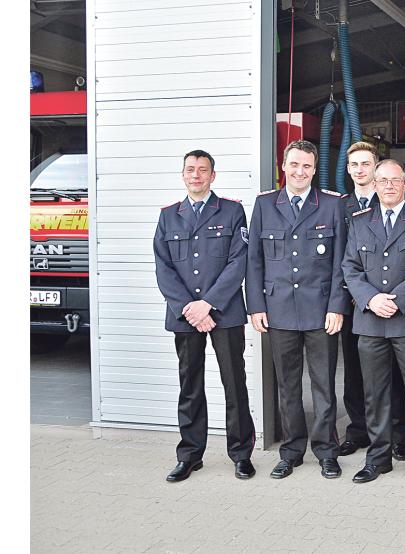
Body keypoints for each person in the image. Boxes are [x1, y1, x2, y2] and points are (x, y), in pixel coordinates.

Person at [245, 140, 348, 480]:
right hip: (278, 310)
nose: (299, 172)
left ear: (314, 170)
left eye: (306, 166)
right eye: (294, 165)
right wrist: (256, 306)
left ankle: (326, 452)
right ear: (283, 167)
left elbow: (339, 263)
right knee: (287, 385)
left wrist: (336, 306)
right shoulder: (264, 204)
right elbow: (254, 261)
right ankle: (291, 451)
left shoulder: (332, 205)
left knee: (323, 385)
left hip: (320, 310)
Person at [153, 150, 255, 482]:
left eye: (203, 170)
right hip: (185, 316)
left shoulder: (231, 211)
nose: (196, 175)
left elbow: (238, 261)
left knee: (234, 383)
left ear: (213, 175)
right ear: (183, 175)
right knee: (190, 386)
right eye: (190, 170)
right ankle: (190, 455)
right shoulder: (169, 216)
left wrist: (208, 304)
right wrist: (191, 309)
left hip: (223, 313)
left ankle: (241, 454)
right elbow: (164, 269)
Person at [342, 159, 405, 490]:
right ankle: (378, 459)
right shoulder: (359, 222)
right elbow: (350, 267)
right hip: (370, 322)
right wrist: (372, 299)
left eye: (394, 180)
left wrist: (396, 301)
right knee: (375, 396)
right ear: (373, 185)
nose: (387, 186)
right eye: (381, 180)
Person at [338, 142, 405, 461]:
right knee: (355, 372)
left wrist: (387, 298)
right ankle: (359, 430)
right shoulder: (339, 207)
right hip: (354, 304)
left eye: (366, 164)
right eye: (354, 164)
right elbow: (342, 261)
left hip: (395, 305)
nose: (359, 170)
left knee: (394, 374)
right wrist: (361, 297)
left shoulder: (402, 205)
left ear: (377, 168)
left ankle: (397, 432)